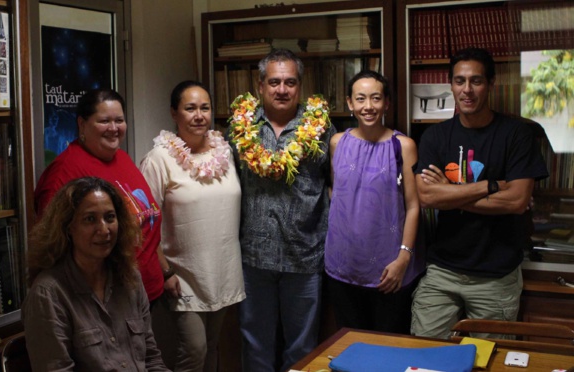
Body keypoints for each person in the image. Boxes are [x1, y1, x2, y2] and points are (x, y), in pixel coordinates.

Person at [411, 47, 549, 339]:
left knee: (490, 362)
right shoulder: (434, 136)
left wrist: (451, 192)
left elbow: (516, 201)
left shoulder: (517, 134)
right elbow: (427, 197)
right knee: (424, 355)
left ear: (491, 84)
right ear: (451, 85)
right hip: (442, 271)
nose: (467, 90)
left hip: (496, 276)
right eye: (460, 81)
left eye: (476, 81)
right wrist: (491, 185)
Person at [227, 48, 336, 372]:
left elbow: (337, 185)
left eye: (290, 82)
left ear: (299, 86)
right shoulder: (239, 130)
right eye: (274, 82)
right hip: (254, 258)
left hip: (305, 256)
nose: (282, 89)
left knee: (302, 350)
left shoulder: (321, 129)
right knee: (255, 346)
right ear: (260, 85)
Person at [34, 89, 177, 307]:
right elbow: (53, 248)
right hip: (106, 301)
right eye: (104, 121)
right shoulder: (65, 172)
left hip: (146, 291)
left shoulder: (121, 158)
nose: (113, 128)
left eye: (119, 120)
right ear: (82, 124)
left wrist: (165, 272)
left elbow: (146, 222)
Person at [140, 80, 245, 372]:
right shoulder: (160, 159)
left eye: (205, 108)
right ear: (174, 113)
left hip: (222, 269)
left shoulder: (224, 152)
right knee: (194, 349)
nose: (199, 115)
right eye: (190, 108)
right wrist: (165, 270)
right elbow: (144, 222)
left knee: (212, 347)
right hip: (182, 272)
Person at [22, 177, 170, 371]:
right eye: (90, 219)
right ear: (68, 227)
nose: (104, 229)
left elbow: (151, 359)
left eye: (110, 217)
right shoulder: (48, 294)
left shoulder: (129, 277)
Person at [325, 70, 424, 334]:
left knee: (388, 347)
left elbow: (414, 206)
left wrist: (404, 258)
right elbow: (337, 191)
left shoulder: (403, 146)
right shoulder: (337, 142)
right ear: (350, 103)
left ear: (386, 103)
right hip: (342, 267)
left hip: (389, 269)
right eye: (360, 99)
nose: (368, 106)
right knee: (349, 346)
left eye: (376, 98)